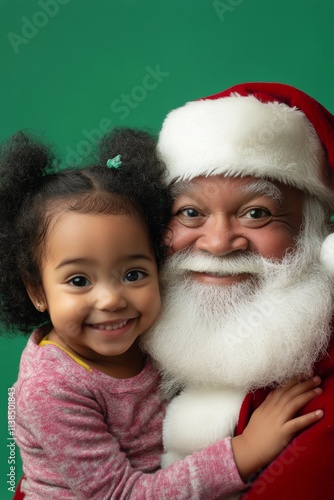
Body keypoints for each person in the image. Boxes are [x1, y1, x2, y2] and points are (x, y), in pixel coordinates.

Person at [1, 128, 322, 499]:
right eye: (78, 280)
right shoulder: (50, 390)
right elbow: (123, 495)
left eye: (133, 274)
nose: (110, 300)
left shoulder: (152, 330)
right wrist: (245, 452)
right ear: (37, 290)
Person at [142, 82, 334, 499]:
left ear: (314, 231)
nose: (217, 243)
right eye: (190, 212)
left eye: (257, 213)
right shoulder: (117, 346)